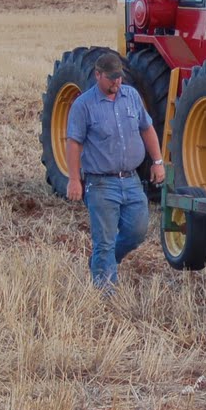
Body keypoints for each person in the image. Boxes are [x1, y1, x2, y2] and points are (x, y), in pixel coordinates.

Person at [64, 52, 167, 293]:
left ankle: (104, 262)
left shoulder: (131, 96)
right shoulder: (83, 105)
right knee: (104, 242)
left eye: (119, 77)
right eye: (111, 78)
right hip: (101, 184)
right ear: (97, 75)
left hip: (131, 180)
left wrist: (158, 161)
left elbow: (147, 128)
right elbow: (74, 143)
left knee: (137, 231)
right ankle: (105, 293)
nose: (116, 82)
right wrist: (73, 179)